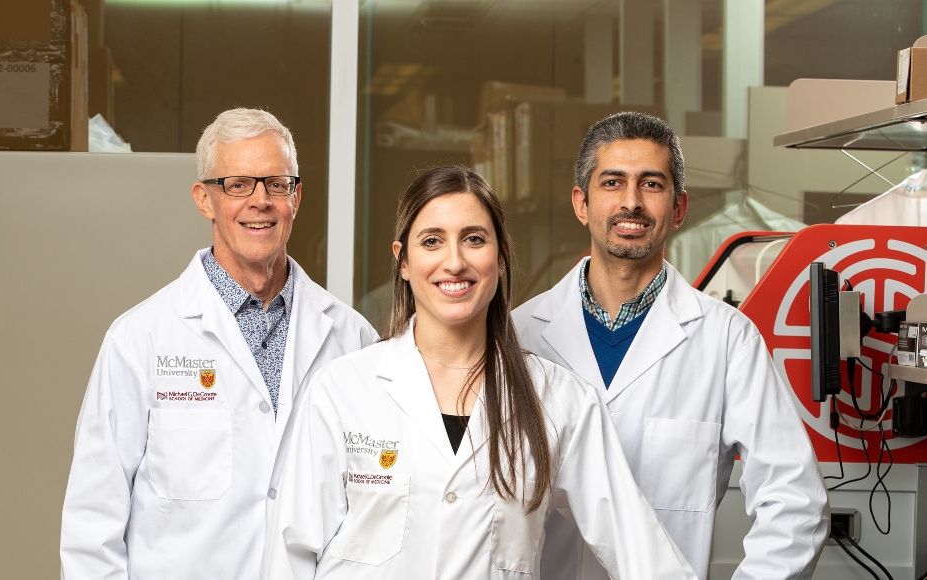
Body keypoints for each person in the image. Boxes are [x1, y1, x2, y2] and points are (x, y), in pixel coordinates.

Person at [261, 165, 696, 580]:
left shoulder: (561, 402)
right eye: (432, 241)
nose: (454, 262)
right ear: (404, 261)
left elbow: (642, 554)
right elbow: (290, 554)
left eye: (473, 239)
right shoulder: (342, 391)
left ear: (501, 255)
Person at [60, 108, 377, 580]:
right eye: (237, 185)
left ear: (296, 198)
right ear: (204, 199)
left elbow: (374, 507)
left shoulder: (353, 340)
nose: (260, 201)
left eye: (276, 184)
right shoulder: (140, 340)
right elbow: (92, 525)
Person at [512, 112, 830, 580]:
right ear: (582, 204)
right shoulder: (519, 335)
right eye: (612, 182)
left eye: (652, 185)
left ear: (678, 208)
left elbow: (796, 501)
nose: (632, 202)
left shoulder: (728, 340)